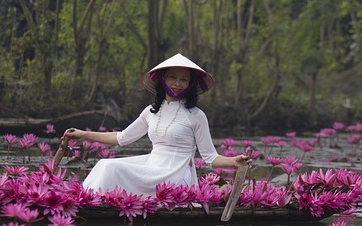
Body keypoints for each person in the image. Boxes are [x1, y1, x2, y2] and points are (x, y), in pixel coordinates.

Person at [62, 53, 251, 197]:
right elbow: (122, 138)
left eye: (184, 79)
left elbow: (210, 157)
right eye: (172, 77)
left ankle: (87, 202)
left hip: (175, 175)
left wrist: (233, 162)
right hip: (152, 166)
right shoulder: (151, 111)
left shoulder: (196, 115)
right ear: (163, 79)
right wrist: (83, 134)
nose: (177, 83)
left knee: (111, 169)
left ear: (190, 84)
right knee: (104, 164)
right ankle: (85, 200)